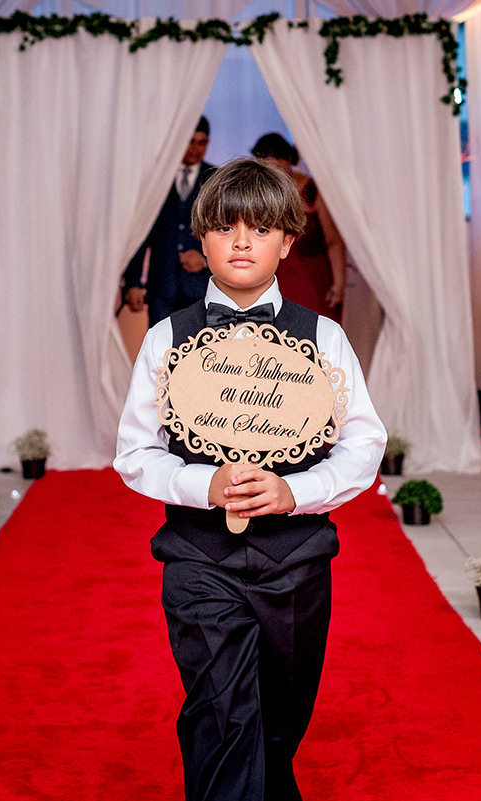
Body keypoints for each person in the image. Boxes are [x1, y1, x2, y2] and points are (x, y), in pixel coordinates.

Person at [114, 157, 386, 801]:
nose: (241, 242)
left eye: (260, 229)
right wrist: (200, 484)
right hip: (198, 559)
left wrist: (298, 491)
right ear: (201, 238)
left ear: (288, 242)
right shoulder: (165, 340)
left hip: (295, 561)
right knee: (222, 712)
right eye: (226, 227)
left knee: (277, 724)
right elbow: (135, 453)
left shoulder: (323, 339)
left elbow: (363, 443)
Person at [122, 116, 217, 326]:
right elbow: (140, 232)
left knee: (202, 355)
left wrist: (205, 260)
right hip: (162, 287)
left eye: (201, 143)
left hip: (202, 289)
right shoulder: (156, 178)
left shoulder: (217, 180)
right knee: (163, 355)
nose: (195, 149)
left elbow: (228, 232)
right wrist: (133, 282)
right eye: (190, 141)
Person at [250, 132, 347, 321]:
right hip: (275, 280)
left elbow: (334, 240)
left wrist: (340, 284)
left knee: (318, 338)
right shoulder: (256, 193)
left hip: (314, 279)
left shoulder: (310, 189)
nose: (275, 172)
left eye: (279, 164)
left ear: (289, 159)